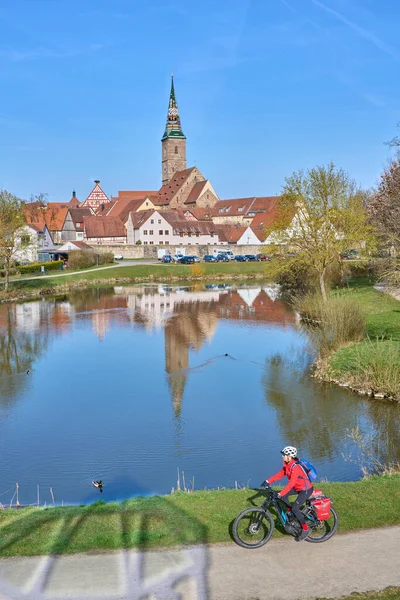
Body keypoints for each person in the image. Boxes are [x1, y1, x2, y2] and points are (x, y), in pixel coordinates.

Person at [263, 446, 314, 541]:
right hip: (298, 487)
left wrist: (280, 493)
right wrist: (268, 481)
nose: (282, 456)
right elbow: (280, 474)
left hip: (305, 489)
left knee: (295, 508)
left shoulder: (296, 467)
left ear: (289, 456)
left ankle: (305, 529)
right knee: (284, 496)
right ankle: (291, 513)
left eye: (284, 455)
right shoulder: (288, 465)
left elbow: (291, 484)